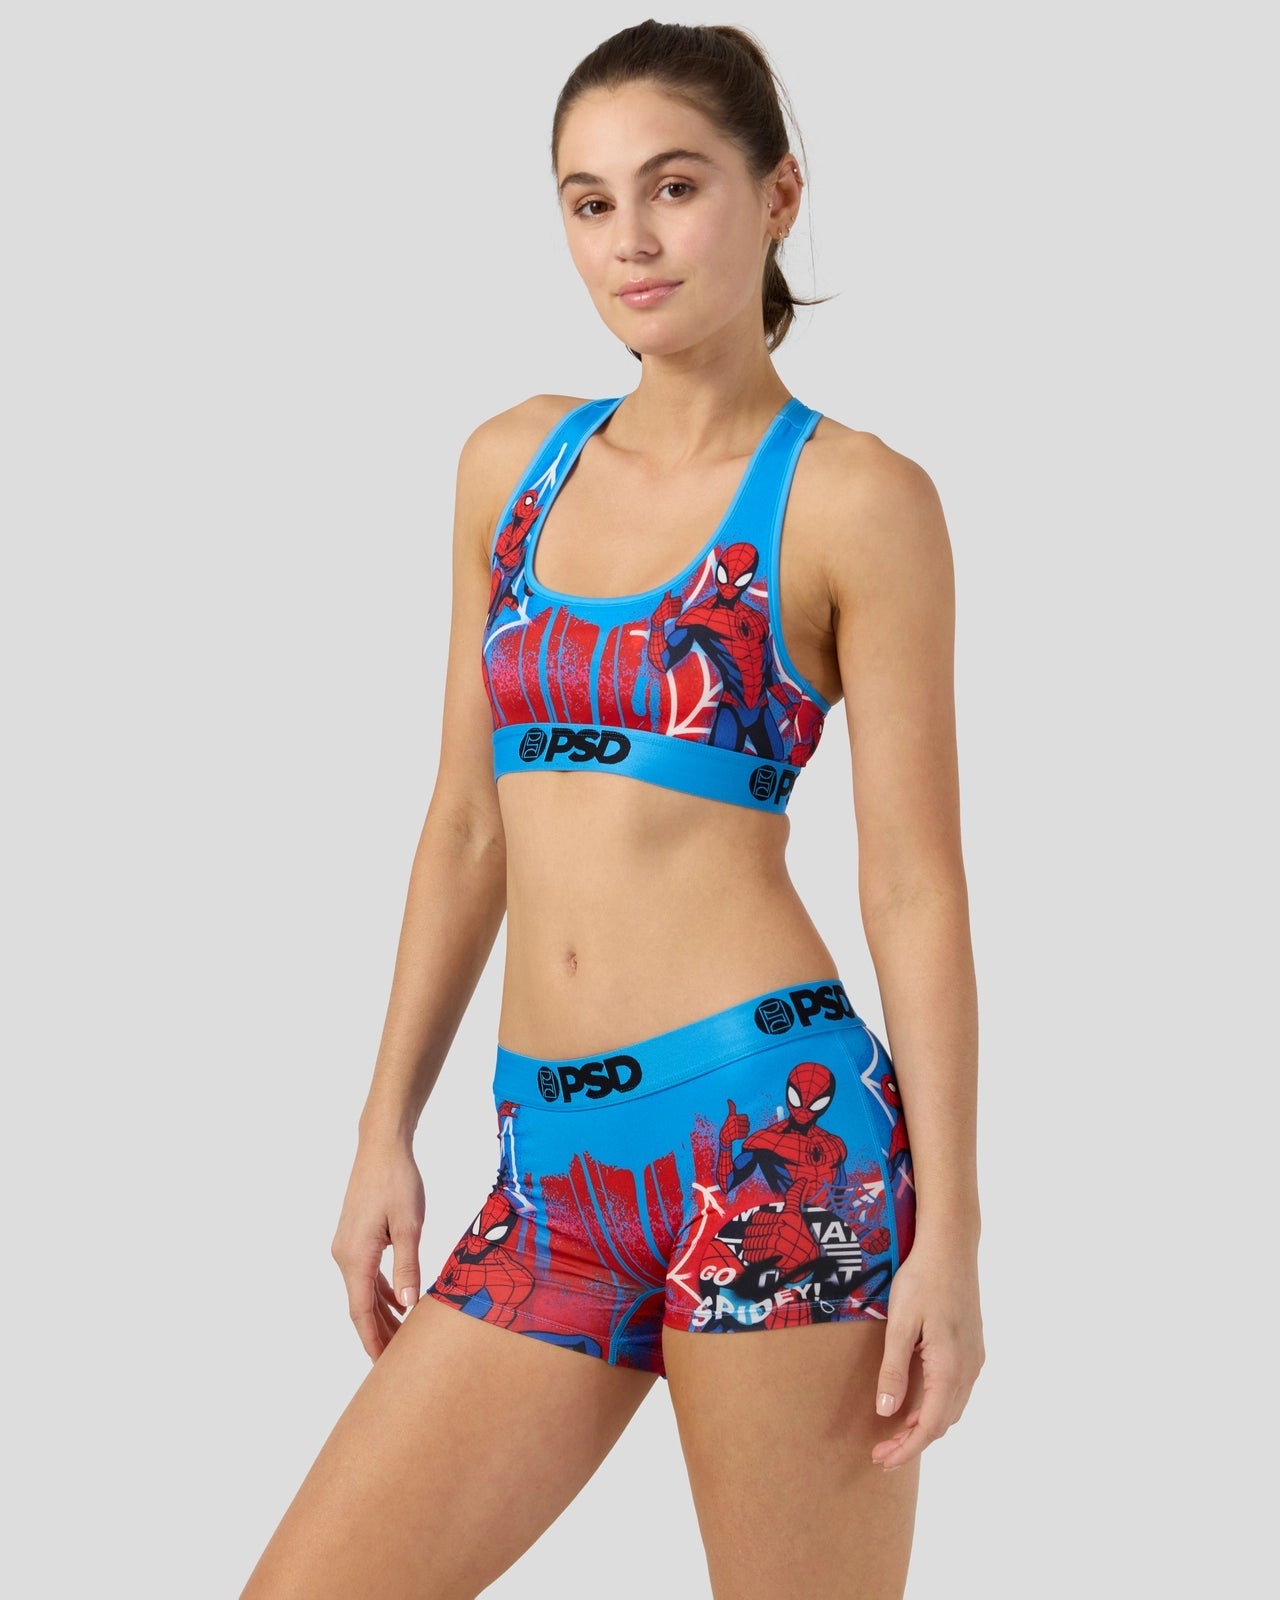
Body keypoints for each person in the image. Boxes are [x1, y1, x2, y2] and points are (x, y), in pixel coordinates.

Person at [241, 19, 983, 1600]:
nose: (630, 239)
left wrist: (954, 1237)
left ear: (779, 198)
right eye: (589, 202)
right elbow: (466, 826)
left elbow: (915, 886)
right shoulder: (512, 469)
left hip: (772, 1150)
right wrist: (382, 1127)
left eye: (674, 187)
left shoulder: (854, 498)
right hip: (550, 1173)